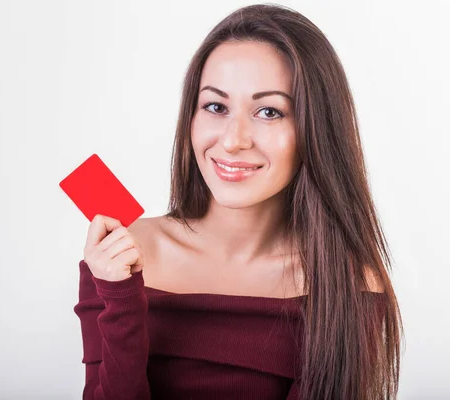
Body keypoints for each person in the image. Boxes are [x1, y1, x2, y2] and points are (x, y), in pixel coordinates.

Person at [73, 3, 404, 399]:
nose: (233, 140)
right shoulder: (119, 258)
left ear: (315, 130)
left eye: (269, 111)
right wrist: (120, 297)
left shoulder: (348, 280)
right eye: (216, 106)